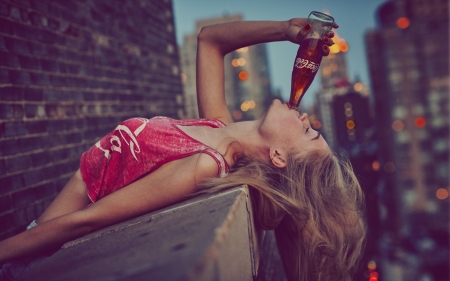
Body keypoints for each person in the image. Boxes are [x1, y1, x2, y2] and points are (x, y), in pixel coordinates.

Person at [0, 18, 365, 281]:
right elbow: (210, 40)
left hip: (31, 253)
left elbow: (89, 219)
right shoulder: (217, 129)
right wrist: (287, 31)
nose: (307, 120)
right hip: (34, 242)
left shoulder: (207, 165)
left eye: (310, 134)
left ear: (279, 157)